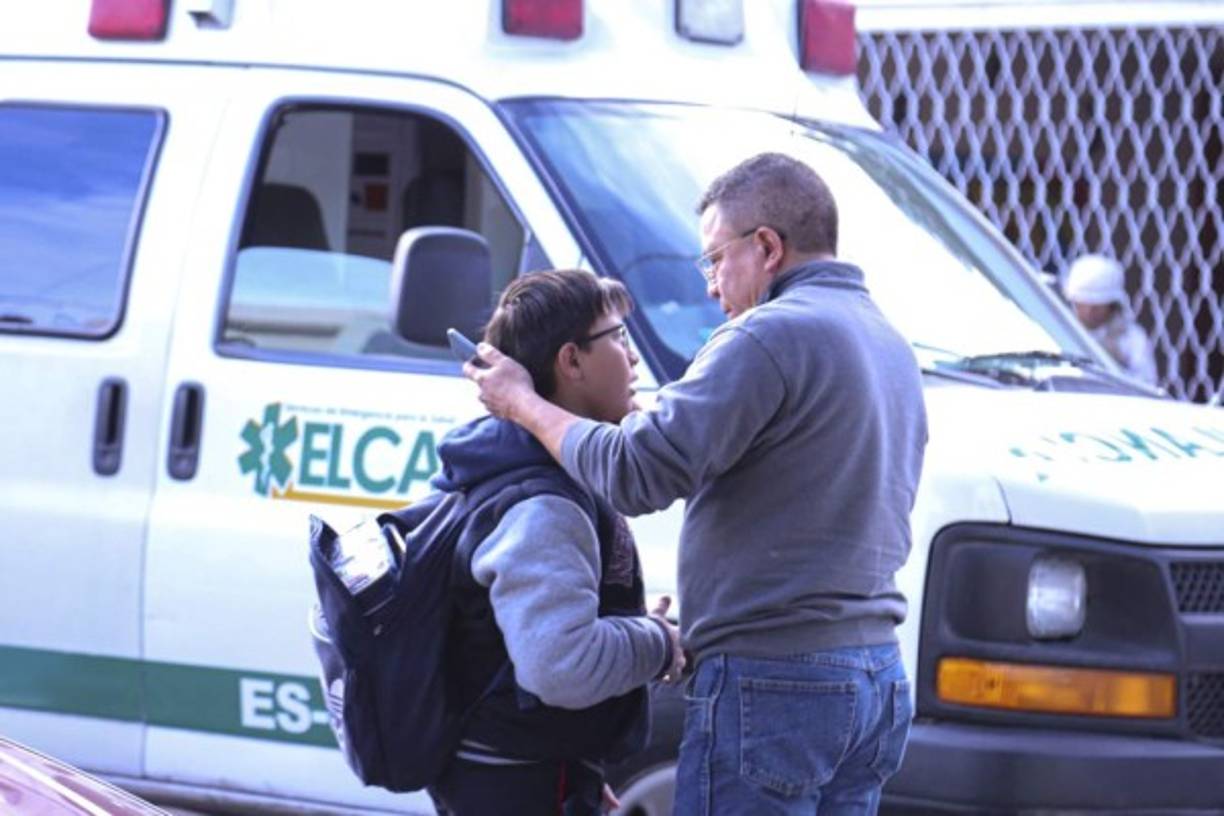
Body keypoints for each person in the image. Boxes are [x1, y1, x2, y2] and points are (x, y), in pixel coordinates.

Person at [466, 152, 928, 815]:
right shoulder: (885, 339)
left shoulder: (768, 335)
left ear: (766, 247)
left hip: (778, 683)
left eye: (714, 260)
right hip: (874, 679)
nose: (712, 286)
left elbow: (636, 472)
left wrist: (524, 404)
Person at [427, 270, 685, 816]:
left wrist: (581, 768)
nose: (634, 359)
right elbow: (561, 667)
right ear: (571, 362)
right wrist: (658, 642)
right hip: (514, 783)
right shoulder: (542, 505)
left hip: (534, 772)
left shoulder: (534, 468)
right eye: (618, 338)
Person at [1063, 253, 1158, 385]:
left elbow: (1146, 383)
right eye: (1082, 304)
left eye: (1096, 306)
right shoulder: (1060, 331)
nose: (1089, 312)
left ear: (1112, 305)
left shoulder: (1131, 338)